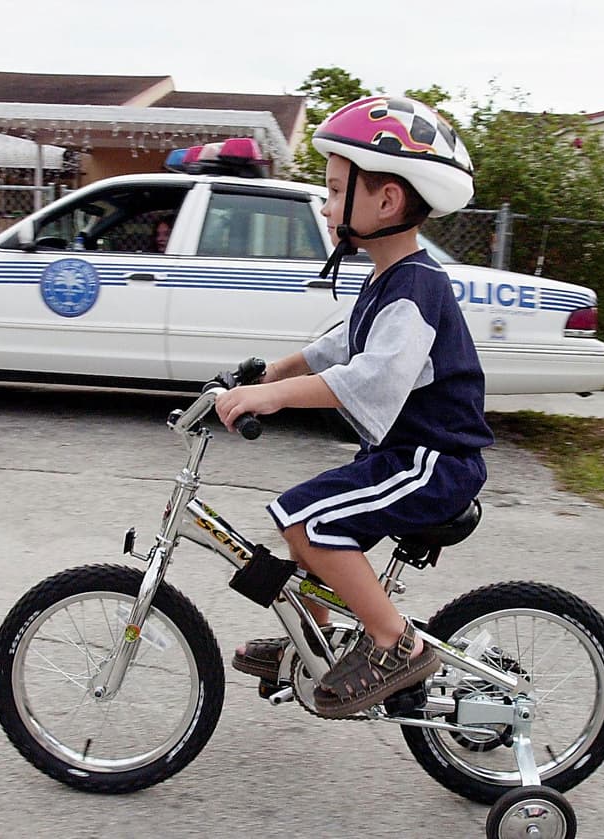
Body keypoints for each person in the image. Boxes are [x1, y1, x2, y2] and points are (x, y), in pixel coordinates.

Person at [214, 95, 493, 717]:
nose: (327, 204)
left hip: (436, 461)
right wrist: (271, 370)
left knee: (310, 521)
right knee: (304, 515)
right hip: (401, 454)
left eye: (338, 191)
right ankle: (316, 641)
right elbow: (339, 344)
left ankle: (398, 645)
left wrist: (273, 396)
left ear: (387, 202)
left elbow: (370, 375)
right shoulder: (385, 278)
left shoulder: (419, 285)